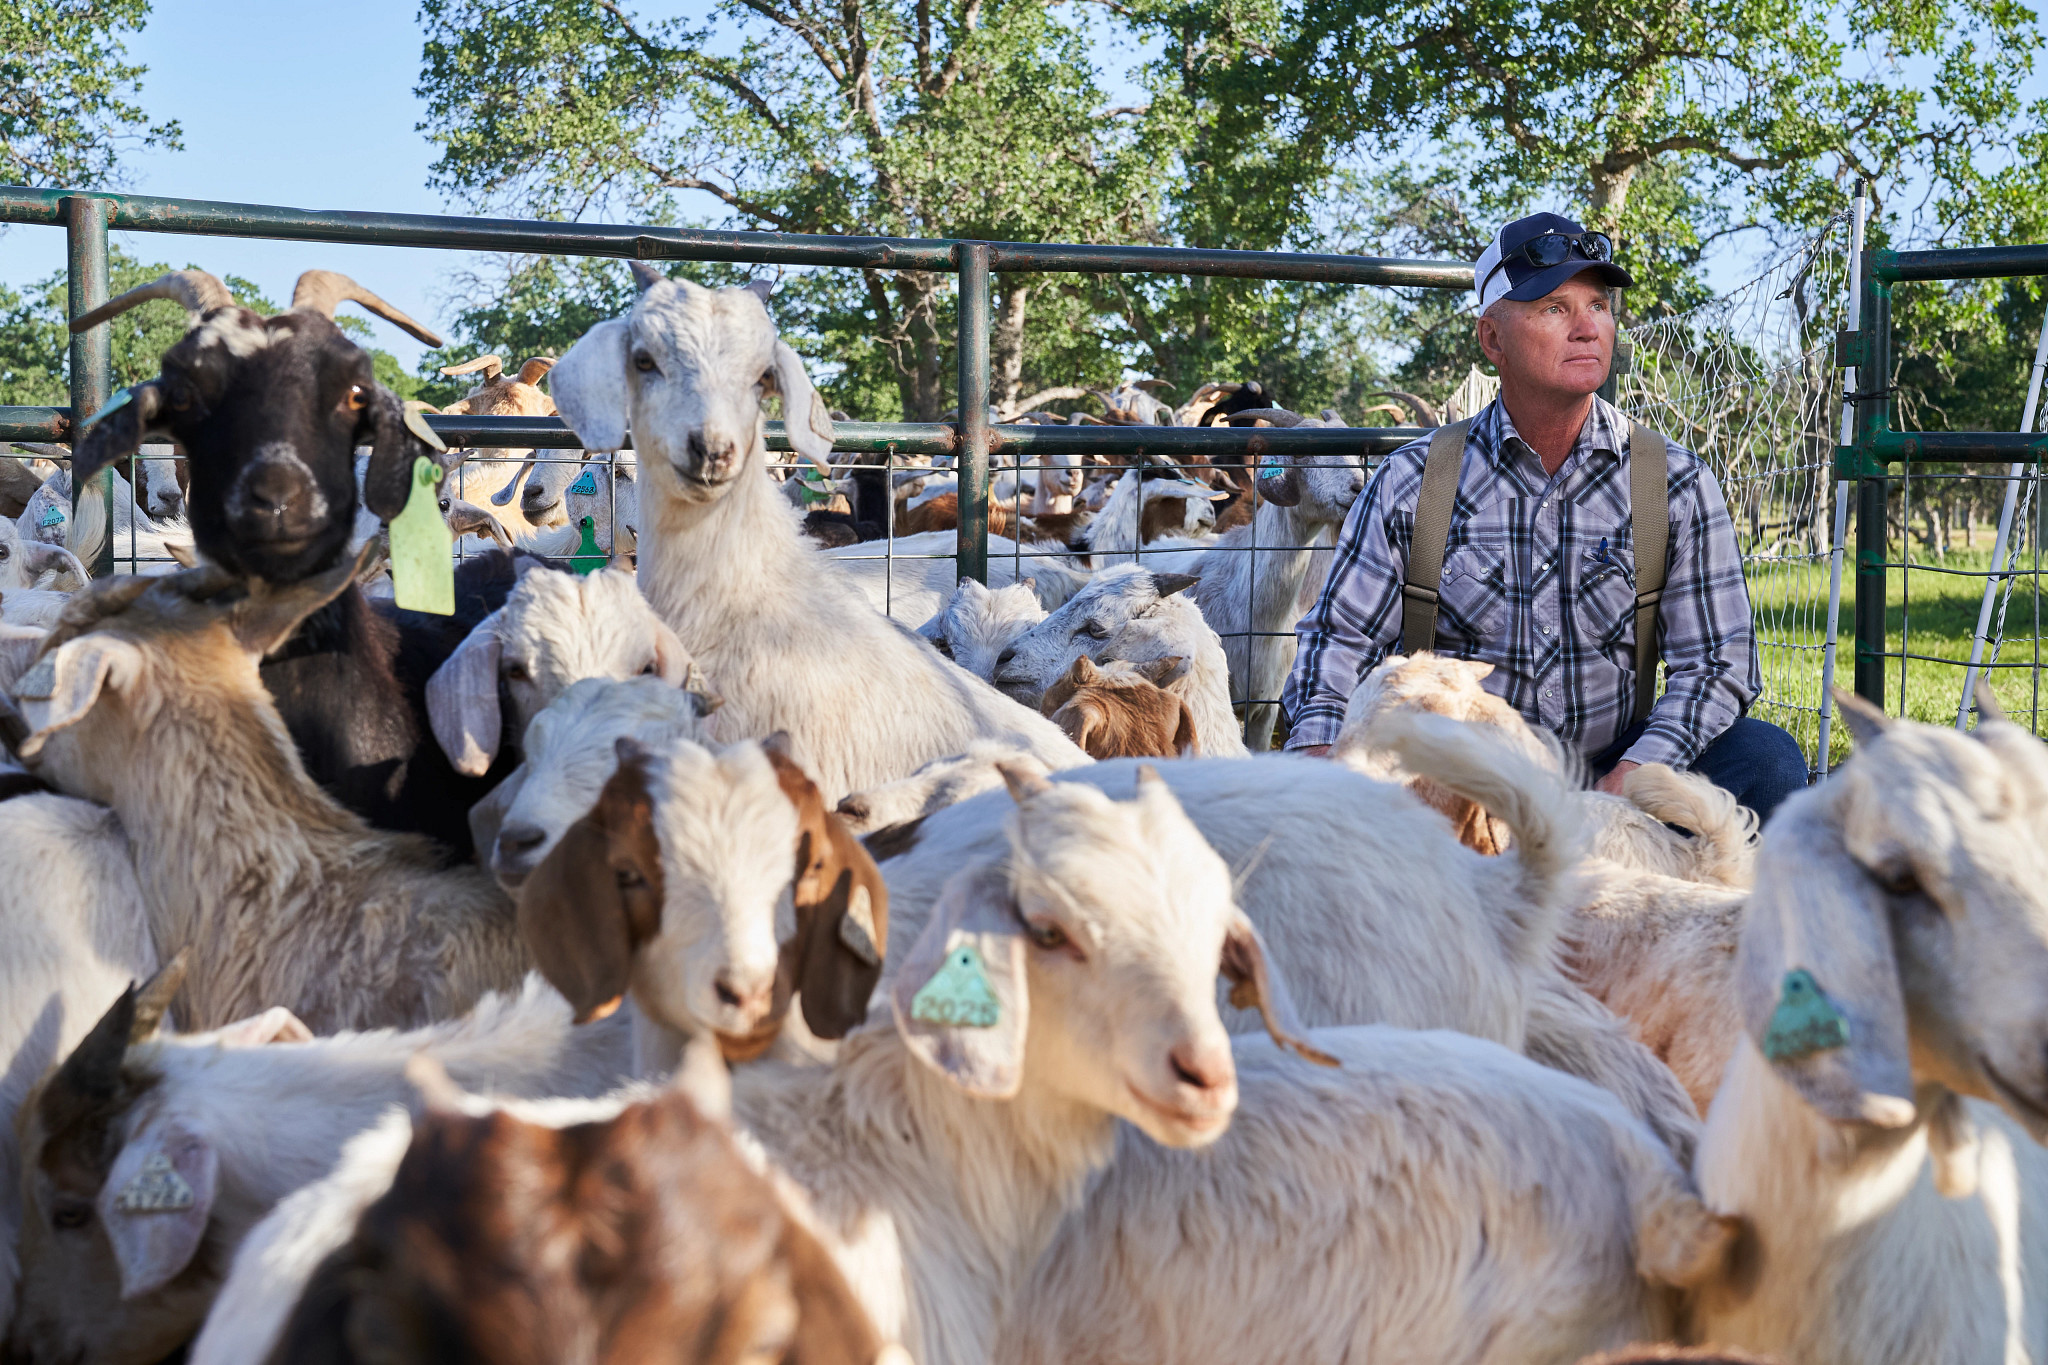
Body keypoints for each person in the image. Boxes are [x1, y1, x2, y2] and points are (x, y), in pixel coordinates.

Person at [1280, 212, 1808, 821]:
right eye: (1553, 308)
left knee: (1766, 760)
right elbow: (1337, 637)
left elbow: (1718, 663)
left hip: (1622, 761)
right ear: (1493, 340)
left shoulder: (1674, 482)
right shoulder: (1414, 481)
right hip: (1466, 775)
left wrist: (1635, 774)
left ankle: (1735, 915)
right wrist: (1320, 752)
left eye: (1600, 305)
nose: (1588, 327)